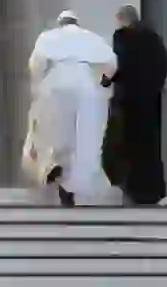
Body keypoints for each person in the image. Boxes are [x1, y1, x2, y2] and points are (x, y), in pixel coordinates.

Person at [22, 10, 117, 207]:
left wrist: (37, 83)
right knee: (82, 139)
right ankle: (72, 184)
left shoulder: (48, 37)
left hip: (56, 85)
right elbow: (111, 61)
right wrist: (105, 80)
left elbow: (36, 63)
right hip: (86, 88)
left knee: (52, 133)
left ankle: (53, 168)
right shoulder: (91, 38)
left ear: (61, 23)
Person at [102, 4, 167, 205]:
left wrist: (106, 80)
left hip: (128, 102)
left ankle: (129, 189)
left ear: (123, 20)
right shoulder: (154, 38)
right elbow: (162, 67)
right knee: (149, 148)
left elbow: (118, 64)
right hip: (150, 101)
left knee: (123, 146)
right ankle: (151, 191)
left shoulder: (122, 37)